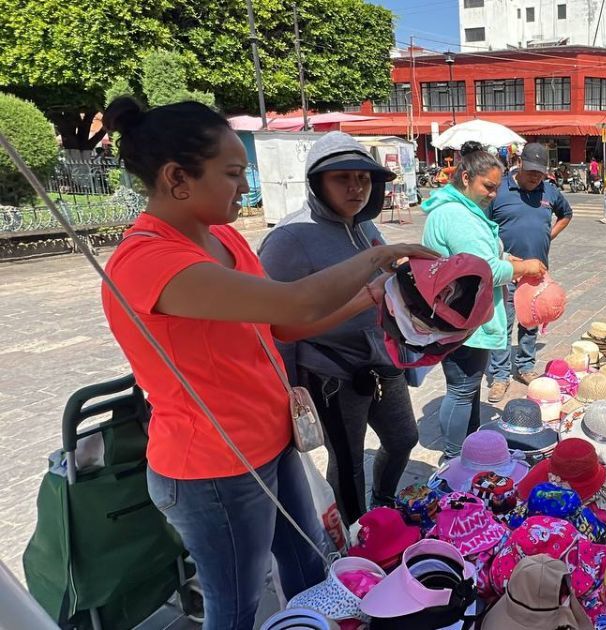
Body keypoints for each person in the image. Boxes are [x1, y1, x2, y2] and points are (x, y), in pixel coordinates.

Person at [99, 97, 436, 629]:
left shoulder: (224, 238)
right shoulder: (149, 261)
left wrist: (372, 295)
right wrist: (378, 255)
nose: (245, 184)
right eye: (233, 173)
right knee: (234, 609)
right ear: (177, 178)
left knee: (307, 564)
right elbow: (295, 302)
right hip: (213, 467)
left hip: (271, 440)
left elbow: (280, 328)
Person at [258, 132, 418, 523]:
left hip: (382, 360)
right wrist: (287, 388)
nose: (355, 188)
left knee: (403, 439)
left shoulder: (366, 228)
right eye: (342, 178)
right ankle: (357, 538)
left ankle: (382, 503)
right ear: (317, 183)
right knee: (347, 463)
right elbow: (276, 324)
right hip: (330, 372)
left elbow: (391, 280)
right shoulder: (288, 239)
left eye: (363, 179)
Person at [421, 141, 546, 459]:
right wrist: (522, 266)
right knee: (462, 390)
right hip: (461, 317)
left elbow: (482, 253)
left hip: (464, 314)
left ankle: (470, 448)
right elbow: (484, 269)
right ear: (465, 178)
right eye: (487, 186)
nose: (493, 194)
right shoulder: (456, 215)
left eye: (496, 187)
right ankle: (452, 457)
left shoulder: (464, 211)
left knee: (469, 387)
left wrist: (507, 255)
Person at [486, 143, 573, 402]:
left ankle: (525, 366)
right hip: (506, 272)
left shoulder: (550, 190)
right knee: (502, 324)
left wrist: (549, 235)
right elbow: (484, 227)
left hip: (536, 273)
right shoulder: (499, 189)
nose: (535, 177)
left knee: (531, 320)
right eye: (531, 171)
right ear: (519, 163)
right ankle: (500, 375)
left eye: (540, 172)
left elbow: (566, 214)